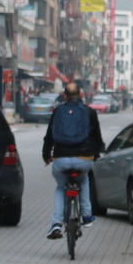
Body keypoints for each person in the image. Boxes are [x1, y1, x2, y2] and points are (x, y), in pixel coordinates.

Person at [43, 82, 105, 239]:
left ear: (64, 96)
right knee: (83, 181)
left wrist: (46, 155)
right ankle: (87, 216)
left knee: (60, 187)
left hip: (60, 158)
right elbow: (96, 136)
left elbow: (49, 136)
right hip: (83, 158)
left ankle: (56, 223)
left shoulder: (57, 111)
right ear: (81, 95)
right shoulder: (89, 112)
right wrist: (97, 153)